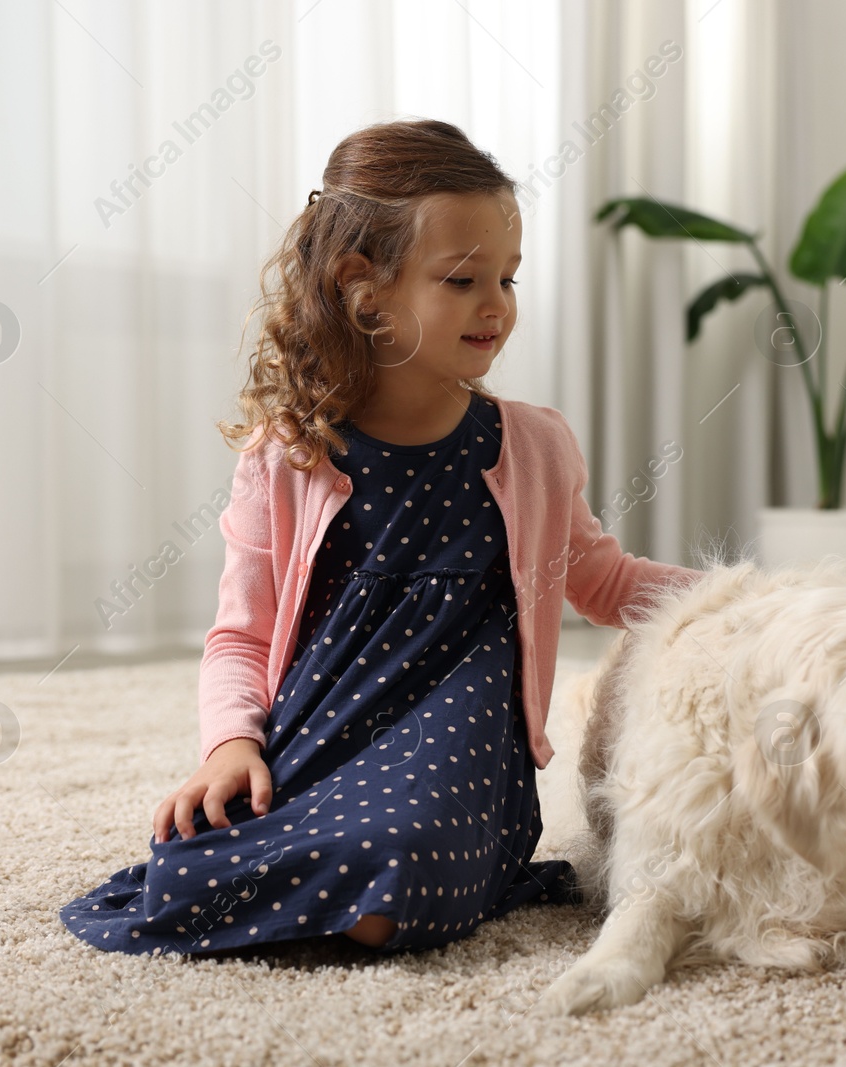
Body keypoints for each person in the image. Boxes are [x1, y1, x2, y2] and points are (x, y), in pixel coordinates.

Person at [59, 118, 704, 957]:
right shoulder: (289, 454)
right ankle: (327, 877)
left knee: (399, 867)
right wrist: (229, 745)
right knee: (183, 861)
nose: (495, 305)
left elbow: (607, 581)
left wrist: (753, 596)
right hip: (329, 724)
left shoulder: (533, 445)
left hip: (461, 744)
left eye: (507, 278)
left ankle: (388, 884)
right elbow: (241, 634)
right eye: (464, 279)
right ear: (365, 289)